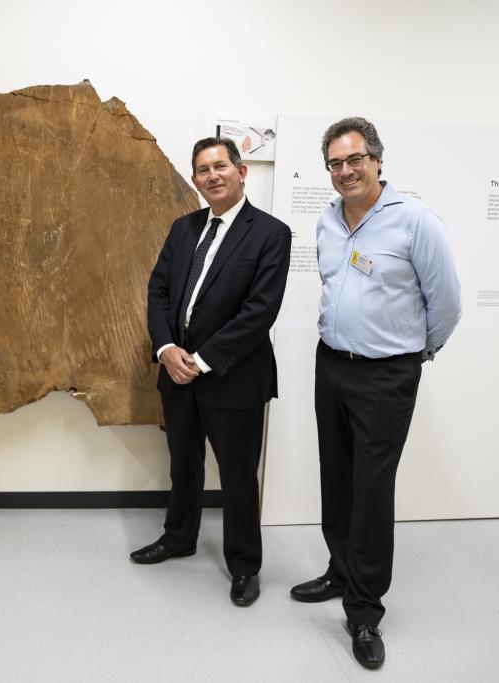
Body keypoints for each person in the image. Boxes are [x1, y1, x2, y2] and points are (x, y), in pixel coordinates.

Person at [290, 117, 462, 668]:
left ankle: (364, 609)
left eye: (354, 160)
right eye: (335, 164)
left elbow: (447, 305)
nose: (345, 171)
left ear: (378, 160)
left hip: (387, 375)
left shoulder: (416, 223)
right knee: (336, 477)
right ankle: (340, 572)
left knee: (372, 489)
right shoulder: (327, 222)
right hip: (332, 366)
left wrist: (414, 352)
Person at [133, 137, 292, 607]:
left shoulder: (270, 234)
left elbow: (259, 312)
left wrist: (199, 360)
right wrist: (165, 349)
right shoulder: (182, 229)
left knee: (239, 475)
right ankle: (179, 538)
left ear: (242, 172)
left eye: (220, 165)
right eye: (202, 169)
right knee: (183, 464)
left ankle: (245, 566)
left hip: (232, 377)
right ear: (196, 179)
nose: (212, 175)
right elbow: (157, 292)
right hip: (175, 372)